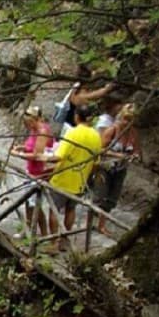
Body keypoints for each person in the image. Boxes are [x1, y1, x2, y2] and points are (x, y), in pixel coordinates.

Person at [46, 105, 102, 250]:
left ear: (77, 116)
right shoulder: (96, 136)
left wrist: (43, 158)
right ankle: (64, 240)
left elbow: (59, 156)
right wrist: (88, 177)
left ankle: (53, 243)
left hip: (62, 179)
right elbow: (96, 162)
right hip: (80, 181)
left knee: (54, 210)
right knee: (71, 210)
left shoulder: (72, 133)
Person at [93, 102, 139, 236]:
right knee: (100, 196)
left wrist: (134, 156)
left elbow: (136, 150)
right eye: (125, 119)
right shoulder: (112, 130)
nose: (126, 122)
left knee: (112, 198)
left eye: (130, 120)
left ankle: (101, 224)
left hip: (121, 170)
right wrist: (117, 155)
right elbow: (99, 149)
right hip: (105, 168)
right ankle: (95, 223)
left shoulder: (133, 133)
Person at [9, 105, 54, 239]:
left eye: (29, 123)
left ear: (35, 119)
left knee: (35, 204)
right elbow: (31, 146)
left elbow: (37, 155)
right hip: (31, 170)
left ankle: (44, 234)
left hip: (39, 172)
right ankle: (28, 229)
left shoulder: (42, 131)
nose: (28, 126)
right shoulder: (34, 130)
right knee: (29, 203)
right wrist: (22, 147)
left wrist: (17, 154)